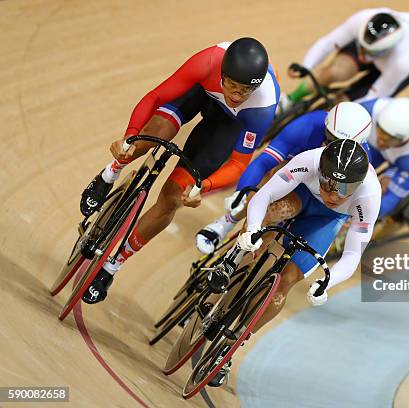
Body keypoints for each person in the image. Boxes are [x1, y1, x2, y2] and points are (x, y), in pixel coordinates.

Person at [79, 37, 280, 304]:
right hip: (200, 94)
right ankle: (109, 174)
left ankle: (112, 266)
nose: (235, 94)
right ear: (222, 73)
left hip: (227, 124)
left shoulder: (262, 107)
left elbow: (238, 164)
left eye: (244, 90)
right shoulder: (208, 61)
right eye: (232, 84)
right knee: (146, 140)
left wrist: (203, 187)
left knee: (173, 198)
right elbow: (157, 96)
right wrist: (130, 136)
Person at [208, 139, 381, 386]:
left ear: (358, 186)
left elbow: (353, 254)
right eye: (327, 183)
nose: (332, 194)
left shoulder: (370, 195)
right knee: (269, 217)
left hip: (326, 221)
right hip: (301, 196)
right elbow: (265, 194)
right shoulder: (309, 160)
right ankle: (231, 261)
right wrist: (253, 230)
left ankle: (229, 346)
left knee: (286, 282)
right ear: (320, 171)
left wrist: (326, 283)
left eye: (343, 190)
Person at [196, 101, 372, 254]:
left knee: (274, 233)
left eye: (339, 142)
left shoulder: (361, 160)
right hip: (296, 172)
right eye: (329, 137)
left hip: (322, 192)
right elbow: (264, 162)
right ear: (325, 125)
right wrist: (241, 192)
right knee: (271, 178)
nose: (331, 145)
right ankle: (227, 222)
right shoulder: (307, 126)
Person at [278, 8, 409, 113]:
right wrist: (306, 66)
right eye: (362, 48)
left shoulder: (402, 61)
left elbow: (375, 96)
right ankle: (291, 100)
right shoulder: (362, 19)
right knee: (335, 72)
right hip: (380, 48)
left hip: (406, 65)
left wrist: (345, 109)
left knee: (344, 106)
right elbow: (327, 43)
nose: (362, 57)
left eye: (370, 53)